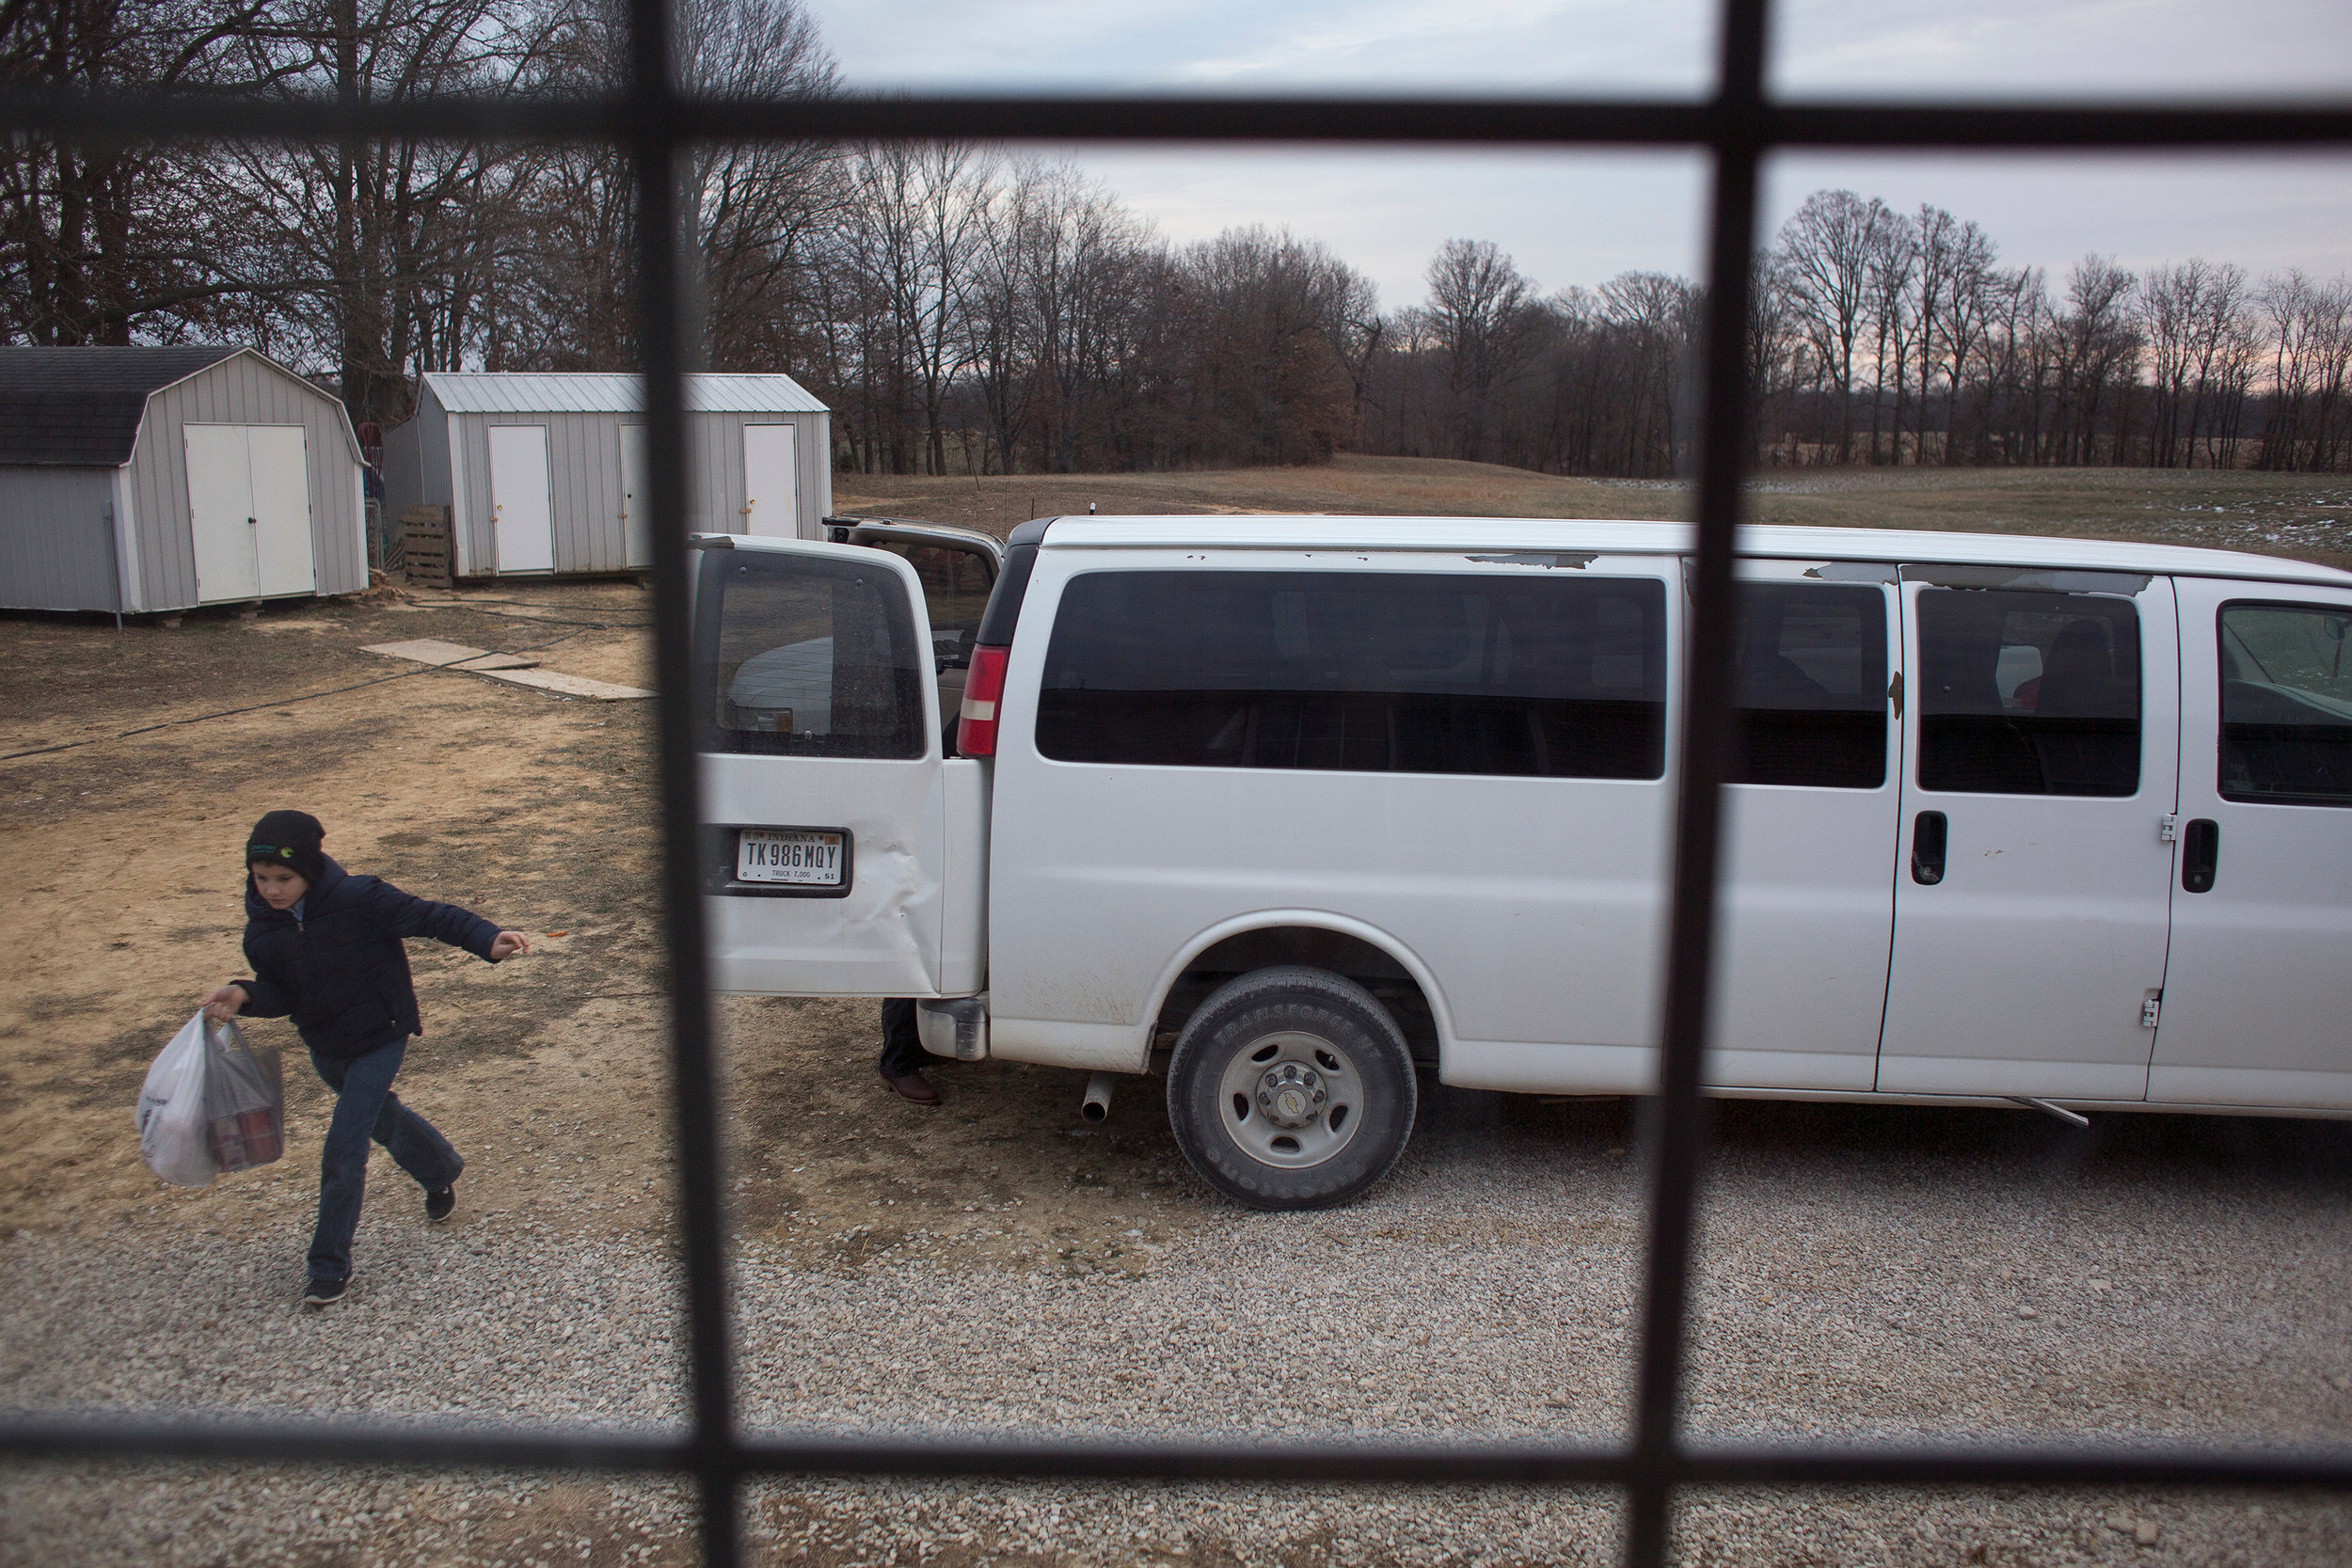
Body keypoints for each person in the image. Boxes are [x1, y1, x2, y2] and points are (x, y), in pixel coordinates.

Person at [200, 810, 529, 1307]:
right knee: (383, 1120)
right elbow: (283, 996)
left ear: (309, 870)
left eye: (283, 878)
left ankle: (328, 1267)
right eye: (260, 878)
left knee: (345, 1144)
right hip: (327, 1047)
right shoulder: (263, 934)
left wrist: (486, 938)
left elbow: (431, 916)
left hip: (382, 1034)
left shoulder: (360, 898)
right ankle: (440, 1169)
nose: (271, 889)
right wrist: (244, 995)